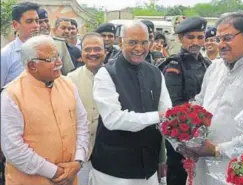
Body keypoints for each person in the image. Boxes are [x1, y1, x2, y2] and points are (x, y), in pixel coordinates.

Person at [186, 12, 243, 185]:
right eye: (219, 39)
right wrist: (185, 131)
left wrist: (218, 150)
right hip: (201, 164)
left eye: (227, 38)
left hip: (237, 170)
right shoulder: (214, 67)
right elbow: (200, 103)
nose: (221, 45)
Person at [91, 21, 172, 185]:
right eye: (133, 42)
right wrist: (157, 116)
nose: (139, 48)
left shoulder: (155, 72)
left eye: (144, 42)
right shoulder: (106, 74)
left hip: (148, 168)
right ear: (120, 42)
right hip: (114, 170)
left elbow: (167, 113)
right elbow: (114, 119)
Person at [1, 35, 89, 185]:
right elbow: (14, 148)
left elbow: (82, 124)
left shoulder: (67, 84)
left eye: (58, 56)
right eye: (51, 59)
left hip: (69, 176)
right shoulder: (11, 95)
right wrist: (54, 172)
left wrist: (78, 161)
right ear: (32, 66)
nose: (59, 63)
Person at [163, 16, 211, 185]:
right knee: (179, 177)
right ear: (180, 39)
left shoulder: (207, 64)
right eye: (191, 37)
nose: (196, 42)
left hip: (202, 137)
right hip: (181, 136)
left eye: (200, 37)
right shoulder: (174, 65)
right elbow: (174, 105)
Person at [67, 32, 105, 185]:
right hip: (79, 155)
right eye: (87, 50)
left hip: (107, 155)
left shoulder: (116, 77)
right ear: (81, 53)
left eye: (97, 49)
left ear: (105, 51)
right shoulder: (69, 80)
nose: (92, 53)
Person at [1, 2, 40, 89]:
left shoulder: (45, 50)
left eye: (37, 21)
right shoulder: (5, 55)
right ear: (15, 25)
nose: (36, 25)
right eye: (29, 21)